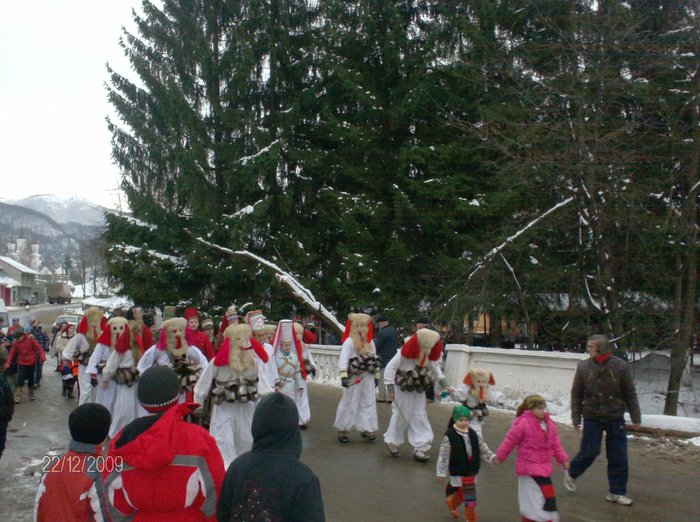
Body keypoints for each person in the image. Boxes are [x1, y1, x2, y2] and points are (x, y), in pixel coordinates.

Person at [103, 366, 225, 521]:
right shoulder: (199, 438)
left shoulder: (122, 440)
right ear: (176, 397)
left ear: (141, 402)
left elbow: (110, 490)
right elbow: (215, 490)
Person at [216, 393, 325, 522]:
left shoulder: (237, 467)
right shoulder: (303, 479)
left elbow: (223, 514)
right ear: (292, 430)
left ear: (257, 425)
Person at [564, 334, 641, 506]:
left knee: (618, 455)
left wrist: (636, 417)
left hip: (615, 417)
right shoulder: (584, 367)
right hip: (592, 417)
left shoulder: (621, 366)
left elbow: (629, 393)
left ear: (602, 348)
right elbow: (576, 393)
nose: (588, 349)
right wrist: (576, 417)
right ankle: (572, 473)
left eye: (591, 346)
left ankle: (617, 492)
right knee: (590, 451)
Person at [194, 323, 269, 468]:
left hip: (246, 407)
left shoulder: (253, 362)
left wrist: (266, 402)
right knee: (224, 441)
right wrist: (198, 403)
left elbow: (262, 384)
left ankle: (244, 470)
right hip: (224, 407)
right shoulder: (217, 363)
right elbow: (203, 383)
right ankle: (226, 474)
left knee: (247, 440)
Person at [494, 395, 569, 522]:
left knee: (548, 498)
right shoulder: (523, 424)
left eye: (544, 408)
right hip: (528, 469)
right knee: (532, 500)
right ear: (531, 409)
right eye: (539, 408)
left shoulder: (549, 424)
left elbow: (555, 444)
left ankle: (546, 519)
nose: (542, 411)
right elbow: (509, 441)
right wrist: (500, 457)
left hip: (543, 468)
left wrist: (563, 459)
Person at [383, 328, 452, 462]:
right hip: (402, 390)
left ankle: (421, 447)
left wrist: (445, 384)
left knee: (419, 416)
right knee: (400, 416)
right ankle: (392, 441)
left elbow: (435, 369)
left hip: (418, 391)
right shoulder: (403, 353)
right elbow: (390, 367)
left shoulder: (427, 355)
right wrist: (390, 389)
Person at [34, 403, 111, 521]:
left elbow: (39, 508)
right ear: (104, 435)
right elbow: (102, 516)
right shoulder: (98, 472)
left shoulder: (52, 466)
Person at [436, 405, 496, 521]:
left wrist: (491, 457)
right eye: (460, 420)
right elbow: (444, 455)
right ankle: (460, 509)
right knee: (465, 493)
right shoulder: (450, 436)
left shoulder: (473, 434)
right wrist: (441, 471)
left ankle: (462, 510)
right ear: (454, 419)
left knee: (467, 494)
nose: (464, 423)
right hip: (458, 469)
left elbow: (482, 447)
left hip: (471, 469)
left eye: (466, 420)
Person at [333, 313, 381, 443]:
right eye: (358, 325)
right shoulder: (349, 342)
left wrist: (376, 375)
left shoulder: (370, 343)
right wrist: (343, 375)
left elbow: (374, 357)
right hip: (354, 377)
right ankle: (343, 430)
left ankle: (367, 429)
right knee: (349, 402)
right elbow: (343, 359)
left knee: (368, 402)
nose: (361, 328)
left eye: (364, 325)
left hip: (367, 377)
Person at [137, 317, 208, 403]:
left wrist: (201, 377)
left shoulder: (188, 348)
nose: (177, 334)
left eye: (180, 331)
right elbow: (143, 365)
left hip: (181, 386)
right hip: (163, 385)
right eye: (174, 331)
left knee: (180, 407)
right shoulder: (158, 349)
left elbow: (202, 362)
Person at [102, 325, 146, 439]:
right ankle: (117, 432)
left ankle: (136, 431)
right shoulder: (122, 349)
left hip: (136, 379)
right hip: (126, 380)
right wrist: (106, 378)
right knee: (124, 406)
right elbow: (112, 364)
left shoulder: (137, 348)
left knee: (136, 406)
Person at [62, 307, 107, 405]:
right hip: (85, 367)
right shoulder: (81, 336)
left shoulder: (103, 335)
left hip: (98, 368)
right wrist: (66, 360)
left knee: (96, 392)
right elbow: (69, 349)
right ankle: (83, 413)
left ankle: (94, 413)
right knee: (86, 392)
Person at [272, 320, 308, 427]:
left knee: (291, 405)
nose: (287, 347)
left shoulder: (294, 356)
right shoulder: (275, 357)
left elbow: (297, 372)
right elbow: (273, 371)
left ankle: (289, 424)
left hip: (291, 385)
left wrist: (300, 385)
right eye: (285, 345)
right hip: (281, 386)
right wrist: (277, 383)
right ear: (281, 345)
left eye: (289, 345)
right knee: (279, 406)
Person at [7, 326, 45, 403]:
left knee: (31, 378)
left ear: (22, 336)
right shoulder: (16, 343)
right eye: (16, 339)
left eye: (18, 338)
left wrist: (42, 357)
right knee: (21, 378)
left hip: (32, 361)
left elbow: (38, 348)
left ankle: (31, 394)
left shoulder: (30, 339)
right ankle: (17, 395)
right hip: (22, 362)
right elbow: (12, 353)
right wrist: (8, 362)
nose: (17, 340)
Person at [373, 315, 399, 403]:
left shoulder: (383, 332)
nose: (378, 326)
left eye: (379, 324)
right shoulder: (393, 330)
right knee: (390, 378)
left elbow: (376, 344)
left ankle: (381, 397)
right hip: (392, 357)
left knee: (381, 379)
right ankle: (390, 397)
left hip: (383, 358)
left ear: (382, 323)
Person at [0, 346, 15, 461]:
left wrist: (7, 415)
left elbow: (9, 400)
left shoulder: (4, 380)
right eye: (4, 363)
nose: (7, 365)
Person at [28, 318, 49, 388]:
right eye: (34, 322)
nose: (36, 323)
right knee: (35, 368)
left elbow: (47, 339)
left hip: (41, 352)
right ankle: (34, 382)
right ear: (32, 324)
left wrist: (46, 348)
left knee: (39, 368)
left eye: (36, 322)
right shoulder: (30, 332)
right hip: (33, 353)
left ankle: (37, 381)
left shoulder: (42, 331)